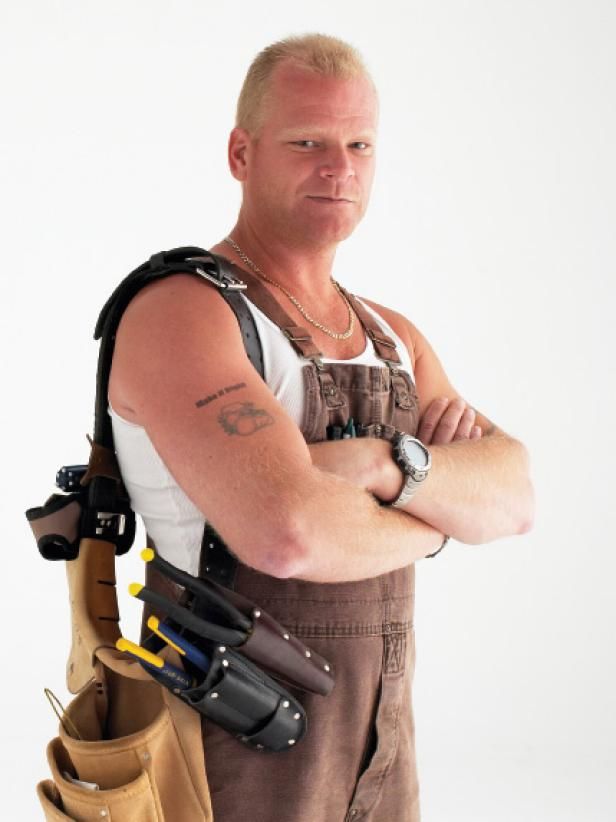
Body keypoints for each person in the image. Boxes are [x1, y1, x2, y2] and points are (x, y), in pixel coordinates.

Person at [107, 33, 534, 822]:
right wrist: (440, 516)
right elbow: (286, 535)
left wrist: (380, 467)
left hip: (381, 751)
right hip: (224, 745)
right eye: (307, 142)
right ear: (242, 153)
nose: (338, 168)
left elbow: (513, 499)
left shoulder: (392, 335)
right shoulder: (186, 313)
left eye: (359, 144)